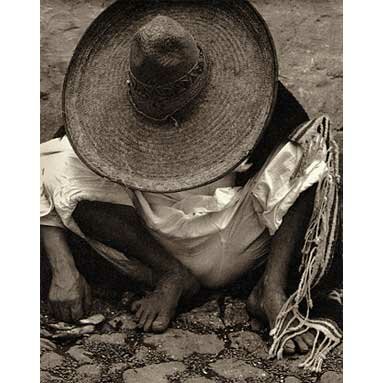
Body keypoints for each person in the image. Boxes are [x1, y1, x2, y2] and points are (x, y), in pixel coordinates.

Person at [41, 1, 341, 371]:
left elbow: (299, 157)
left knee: (312, 145)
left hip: (234, 239)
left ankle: (271, 290)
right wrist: (63, 269)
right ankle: (173, 276)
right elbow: (45, 167)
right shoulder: (98, 115)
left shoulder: (257, 95)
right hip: (151, 245)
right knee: (51, 160)